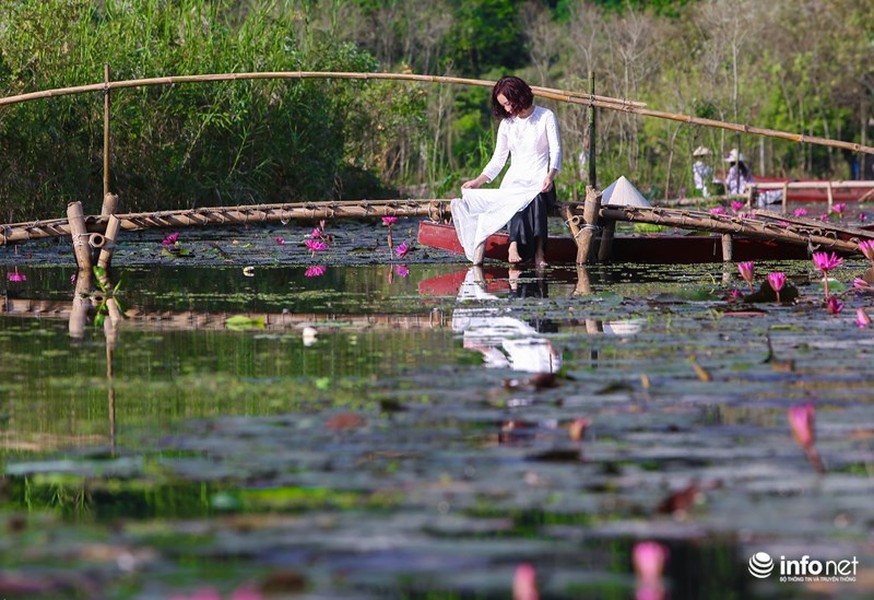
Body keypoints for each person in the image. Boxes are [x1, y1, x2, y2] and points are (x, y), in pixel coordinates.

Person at [451, 76, 562, 267]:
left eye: (509, 104)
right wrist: (478, 181)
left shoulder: (545, 116)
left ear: (520, 97)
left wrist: (550, 176)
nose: (507, 109)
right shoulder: (507, 124)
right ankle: (513, 244)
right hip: (515, 182)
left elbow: (556, 150)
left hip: (541, 181)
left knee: (535, 199)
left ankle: (539, 253)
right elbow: (498, 159)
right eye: (503, 106)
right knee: (513, 197)